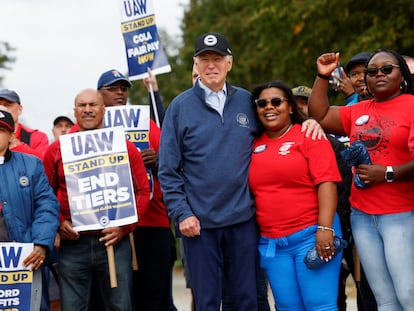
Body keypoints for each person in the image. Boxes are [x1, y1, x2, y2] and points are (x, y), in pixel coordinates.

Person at [158, 32, 324, 311]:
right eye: (204, 59)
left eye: (218, 59)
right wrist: (181, 213)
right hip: (199, 224)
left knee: (248, 299)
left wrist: (309, 125)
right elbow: (167, 169)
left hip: (243, 221)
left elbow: (278, 131)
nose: (211, 65)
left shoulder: (247, 101)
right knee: (208, 301)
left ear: (229, 63)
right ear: (195, 65)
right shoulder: (179, 108)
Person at [308, 49, 414, 311]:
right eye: (371, 71)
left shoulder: (411, 106)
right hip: (363, 217)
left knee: (408, 294)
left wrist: (387, 172)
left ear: (402, 74)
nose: (378, 74)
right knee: (385, 300)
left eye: (386, 69)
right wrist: (322, 76)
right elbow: (318, 114)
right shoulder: (357, 110)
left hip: (400, 215)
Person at [43, 89, 150, 311]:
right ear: (75, 111)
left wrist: (124, 226)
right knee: (73, 308)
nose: (88, 110)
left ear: (104, 109)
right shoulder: (57, 149)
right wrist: (60, 222)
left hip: (114, 241)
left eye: (93, 105)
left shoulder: (125, 146)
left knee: (120, 306)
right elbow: (45, 194)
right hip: (73, 244)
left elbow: (142, 190)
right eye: (82, 105)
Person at [249, 80, 343, 310]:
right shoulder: (251, 144)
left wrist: (325, 228)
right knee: (287, 307)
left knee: (320, 305)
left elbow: (327, 182)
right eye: (262, 103)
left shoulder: (308, 135)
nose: (268, 107)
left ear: (290, 106)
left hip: (312, 236)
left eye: (276, 101)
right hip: (272, 243)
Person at [97, 68, 176, 311]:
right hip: (109, 227)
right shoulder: (91, 130)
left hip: (152, 223)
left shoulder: (146, 124)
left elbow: (174, 163)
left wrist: (158, 160)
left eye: (123, 88)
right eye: (112, 88)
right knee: (117, 301)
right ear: (99, 95)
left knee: (156, 298)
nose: (119, 92)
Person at [0, 109, 60, 311]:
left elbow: (47, 206)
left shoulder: (31, 165)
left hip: (26, 258)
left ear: (11, 136)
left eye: (1, 130)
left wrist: (41, 244)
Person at [0, 89, 49, 158]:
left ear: (19, 109)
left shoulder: (36, 137)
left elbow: (43, 164)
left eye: (7, 105)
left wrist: (18, 147)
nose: (1, 108)